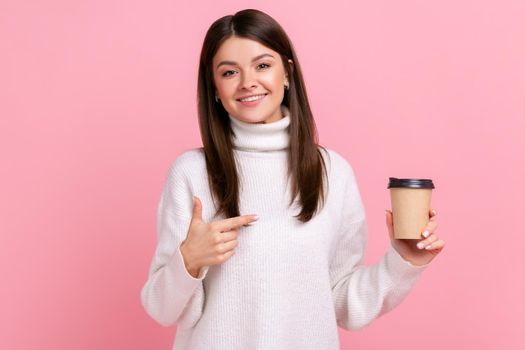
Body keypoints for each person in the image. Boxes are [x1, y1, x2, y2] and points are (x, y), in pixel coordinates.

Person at [140, 8, 445, 350]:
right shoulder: (191, 172)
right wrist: (189, 260)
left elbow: (343, 302)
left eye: (263, 65)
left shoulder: (332, 171)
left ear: (286, 73)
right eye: (229, 72)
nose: (247, 82)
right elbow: (161, 309)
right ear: (214, 86)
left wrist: (403, 262)